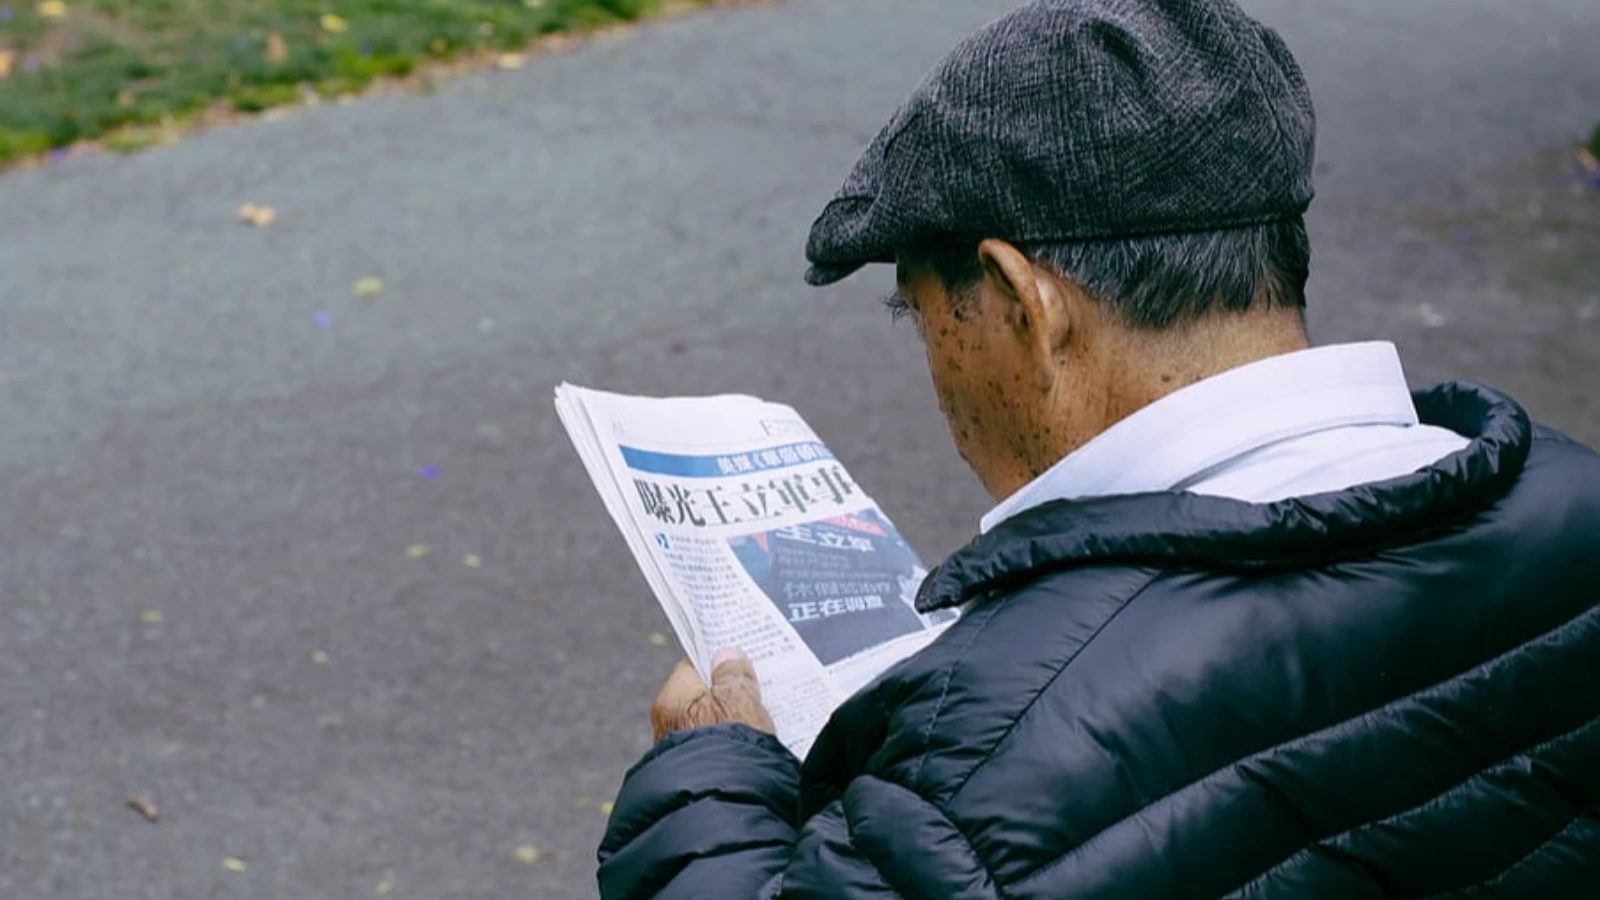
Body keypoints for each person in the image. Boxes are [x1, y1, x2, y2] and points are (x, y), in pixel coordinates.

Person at [596, 0, 1600, 897]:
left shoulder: (983, 761)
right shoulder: (1572, 505)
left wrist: (713, 775)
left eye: (922, 313)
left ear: (1024, 302)